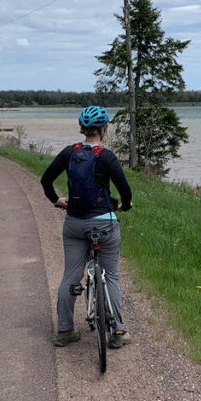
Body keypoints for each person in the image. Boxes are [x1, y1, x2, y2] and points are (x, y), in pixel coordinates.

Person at [40, 105, 133, 348]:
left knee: (71, 275)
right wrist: (125, 204)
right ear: (104, 129)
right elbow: (125, 191)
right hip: (105, 223)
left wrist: (56, 200)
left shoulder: (70, 153)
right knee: (111, 275)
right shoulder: (107, 156)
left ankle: (65, 331)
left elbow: (46, 179)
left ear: (82, 128)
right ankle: (118, 332)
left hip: (74, 223)